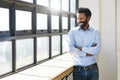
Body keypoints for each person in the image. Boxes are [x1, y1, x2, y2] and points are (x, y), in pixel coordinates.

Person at [68, 7, 101, 80]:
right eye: (78, 18)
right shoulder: (72, 32)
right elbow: (70, 49)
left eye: (82, 18)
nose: (79, 20)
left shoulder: (96, 32)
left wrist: (81, 48)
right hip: (78, 71)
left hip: (93, 70)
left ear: (88, 18)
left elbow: (97, 50)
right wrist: (86, 53)